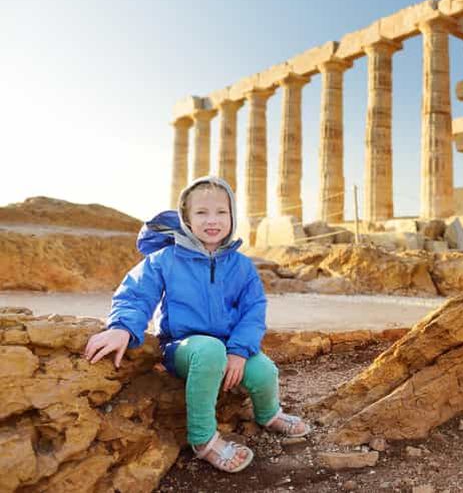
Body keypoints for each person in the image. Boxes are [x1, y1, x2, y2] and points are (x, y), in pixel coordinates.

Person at [84, 176, 309, 473]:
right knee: (209, 350)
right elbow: (136, 294)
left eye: (221, 212)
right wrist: (122, 327)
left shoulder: (242, 265)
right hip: (183, 348)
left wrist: (239, 351)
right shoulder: (165, 259)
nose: (212, 220)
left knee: (264, 370)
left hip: (228, 347)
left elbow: (253, 310)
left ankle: (269, 414)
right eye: (202, 212)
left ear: (232, 217)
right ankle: (203, 439)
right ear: (186, 219)